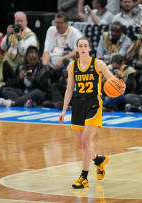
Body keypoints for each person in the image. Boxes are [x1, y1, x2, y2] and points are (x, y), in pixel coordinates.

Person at [58, 37, 124, 189]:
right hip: (78, 105)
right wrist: (63, 110)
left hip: (94, 104)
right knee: (79, 145)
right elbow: (69, 89)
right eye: (80, 45)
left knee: (86, 141)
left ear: (89, 49)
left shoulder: (98, 64)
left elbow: (112, 80)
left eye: (85, 45)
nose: (82, 48)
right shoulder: (72, 66)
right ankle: (99, 160)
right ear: (77, 49)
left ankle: (84, 177)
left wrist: (120, 86)